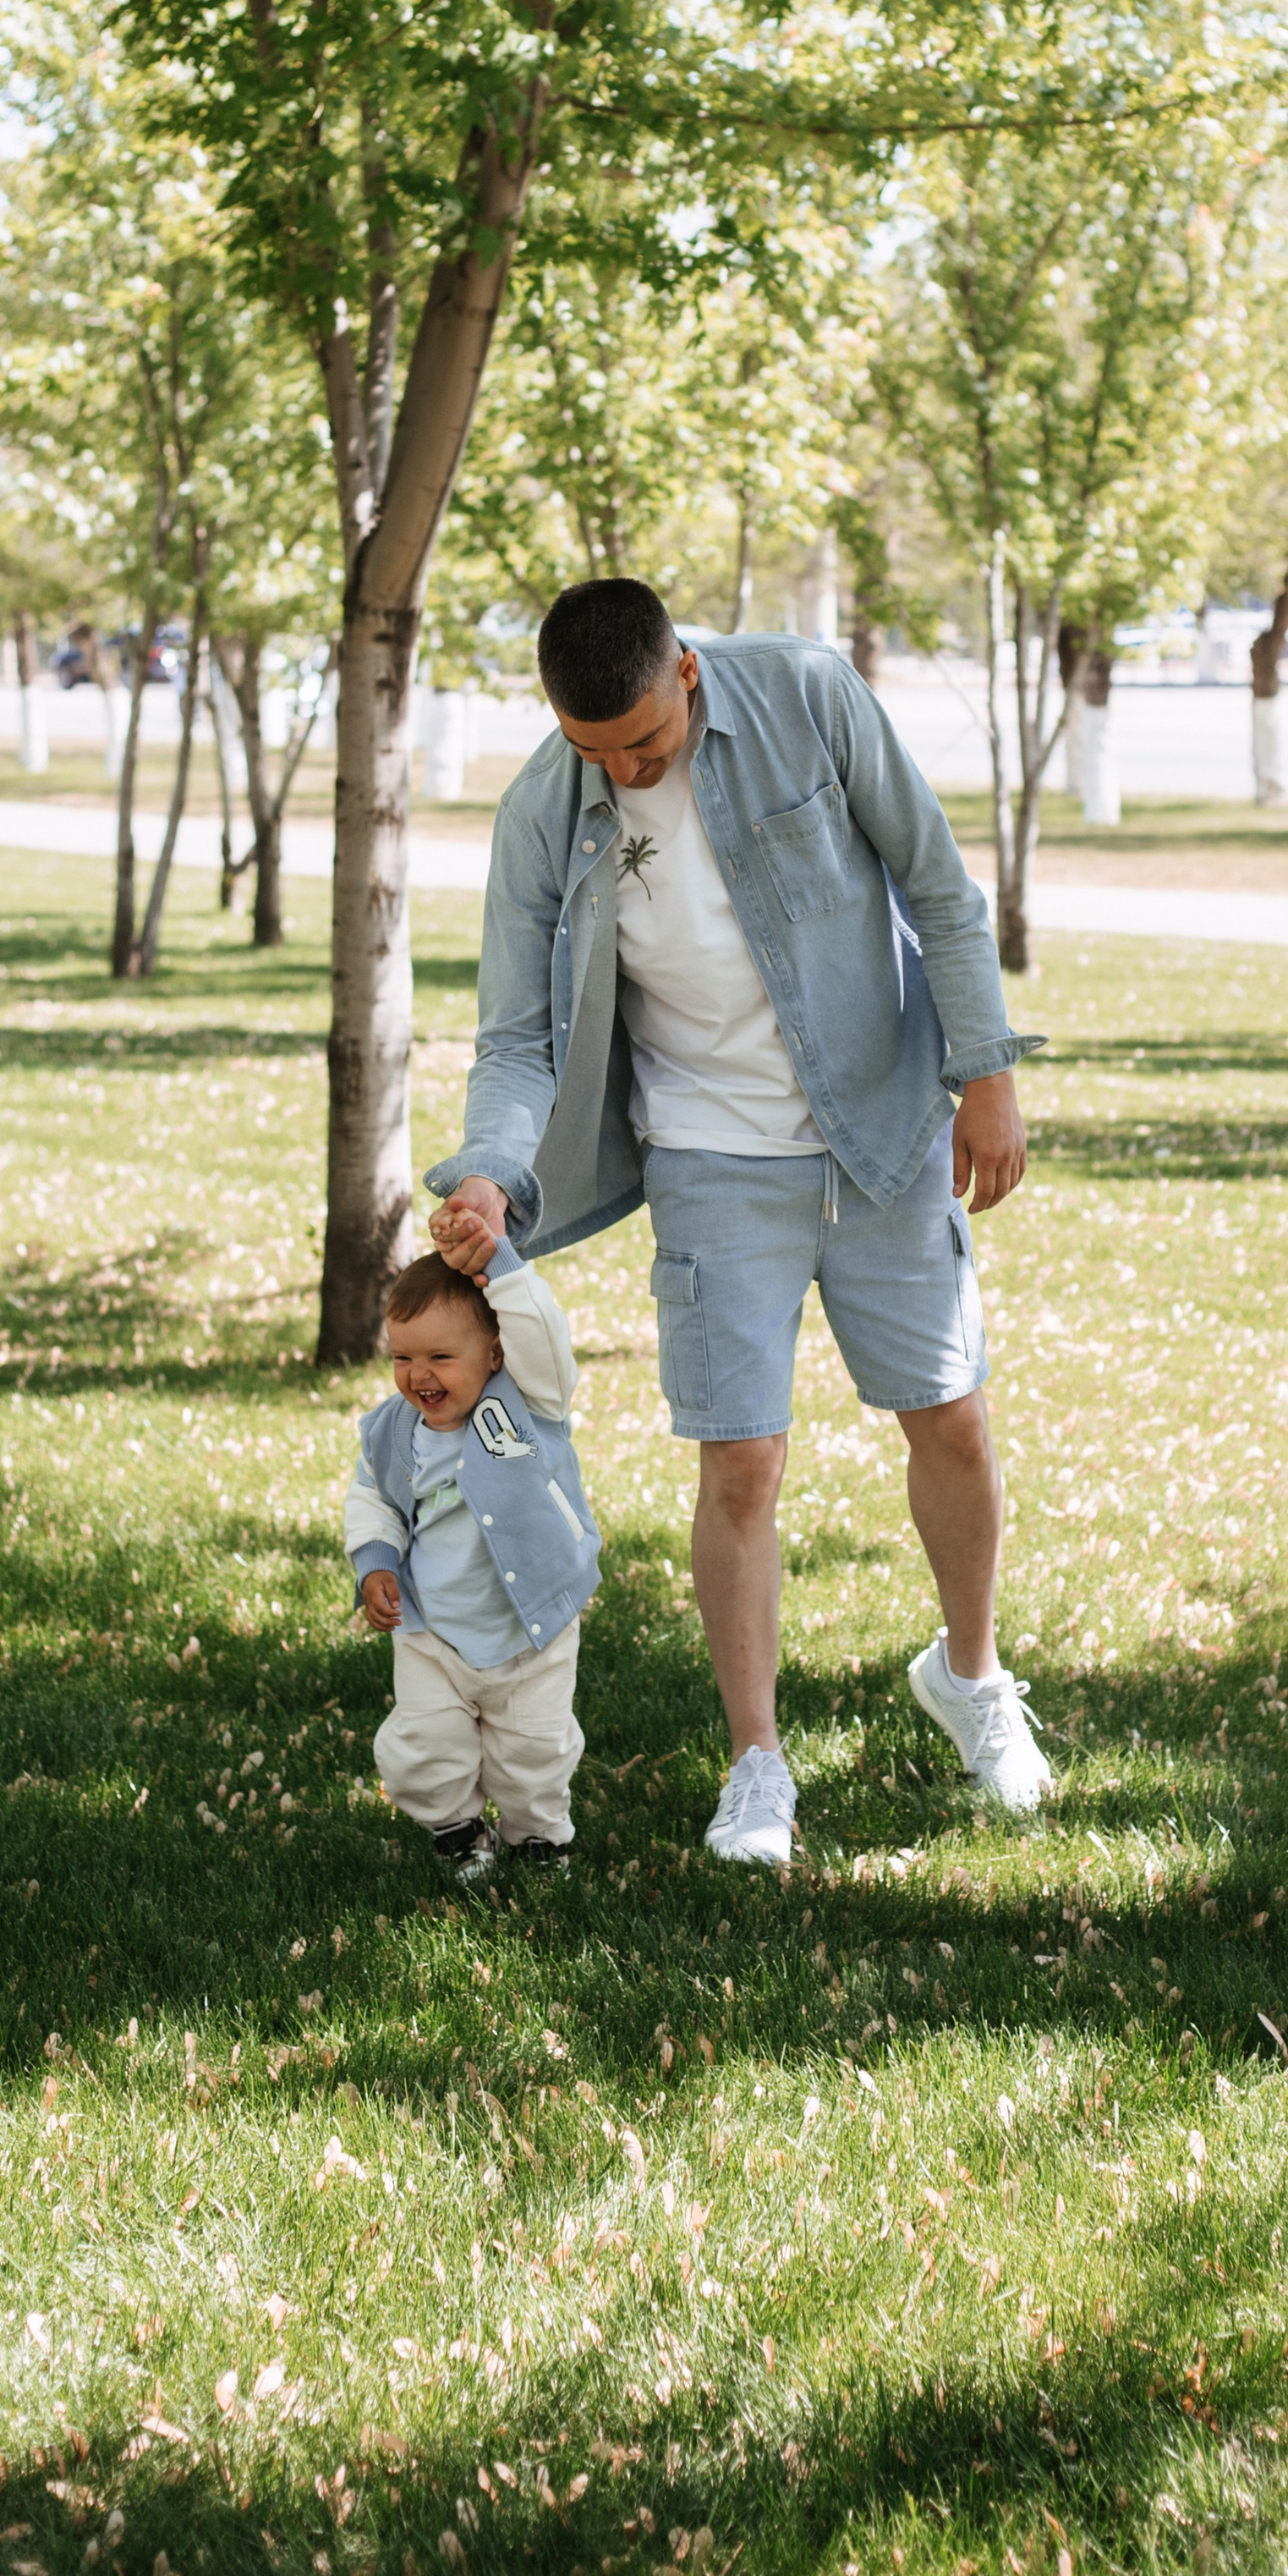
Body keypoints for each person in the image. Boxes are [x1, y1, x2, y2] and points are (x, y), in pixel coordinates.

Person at [426, 575, 1049, 1867]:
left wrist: (987, 1072)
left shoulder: (809, 693)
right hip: (710, 1158)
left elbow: (935, 882)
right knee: (742, 1462)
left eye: (644, 742)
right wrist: (488, 1173)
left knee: (951, 1416)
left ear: (688, 673)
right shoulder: (544, 808)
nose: (625, 772)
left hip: (882, 1129)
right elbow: (515, 1036)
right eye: (595, 752)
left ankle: (972, 1676)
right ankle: (757, 1763)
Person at [347, 1219, 597, 1886]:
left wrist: (501, 1264)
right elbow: (373, 1500)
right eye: (402, 1358)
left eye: (440, 1357)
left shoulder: (531, 1401)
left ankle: (538, 1837)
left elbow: (541, 1331)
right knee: (423, 1746)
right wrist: (375, 1562)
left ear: (494, 1354)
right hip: (434, 1632)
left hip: (531, 1630)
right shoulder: (392, 1431)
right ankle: (458, 1830)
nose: (418, 1375)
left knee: (534, 1749)